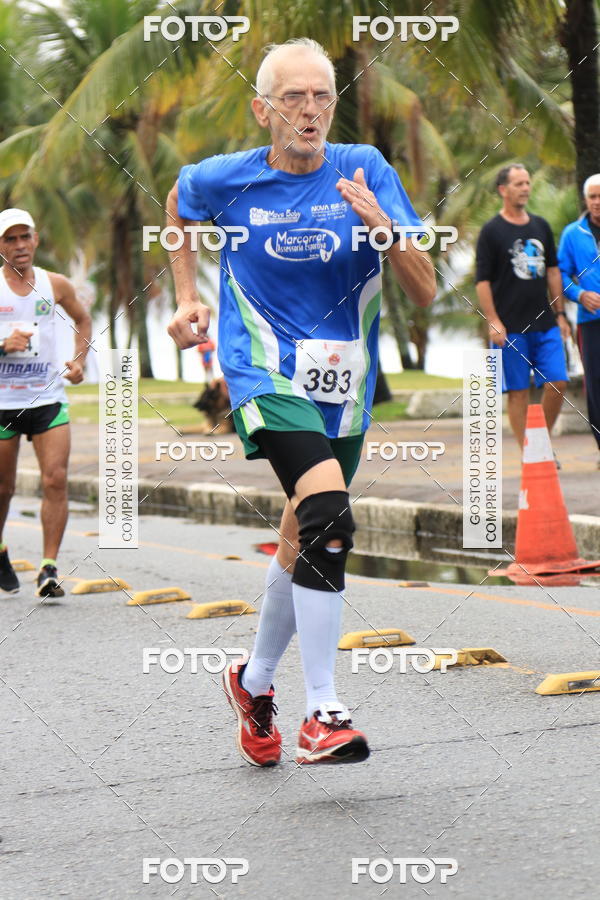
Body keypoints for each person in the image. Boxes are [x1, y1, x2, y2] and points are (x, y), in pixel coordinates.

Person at [166, 38, 435, 767]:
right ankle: (323, 709)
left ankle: (252, 683)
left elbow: (425, 288)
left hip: (342, 387)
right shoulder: (227, 180)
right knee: (329, 515)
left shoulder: (366, 170)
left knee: (302, 534)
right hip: (263, 374)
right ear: (263, 110)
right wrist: (188, 294)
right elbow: (178, 203)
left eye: (322, 96)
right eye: (293, 98)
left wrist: (386, 229)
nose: (310, 109)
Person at [0, 208, 91, 597]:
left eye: (25, 237)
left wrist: (79, 360)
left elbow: (83, 321)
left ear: (36, 240)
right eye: (10, 239)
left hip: (48, 398)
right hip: (3, 403)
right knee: (3, 488)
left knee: (55, 479)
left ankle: (48, 568)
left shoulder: (55, 284)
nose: (20, 246)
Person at [475, 164, 570, 449]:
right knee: (517, 392)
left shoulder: (540, 226)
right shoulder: (491, 231)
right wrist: (493, 320)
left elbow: (553, 271)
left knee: (557, 383)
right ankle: (528, 452)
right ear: (503, 190)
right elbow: (482, 282)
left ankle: (540, 442)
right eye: (518, 183)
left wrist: (561, 314)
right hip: (510, 326)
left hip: (546, 323)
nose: (526, 188)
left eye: (527, 182)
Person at [557, 174, 600, 466]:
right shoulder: (573, 234)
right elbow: (558, 275)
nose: (598, 203)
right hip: (591, 320)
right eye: (593, 197)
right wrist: (580, 294)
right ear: (586, 200)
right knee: (596, 385)